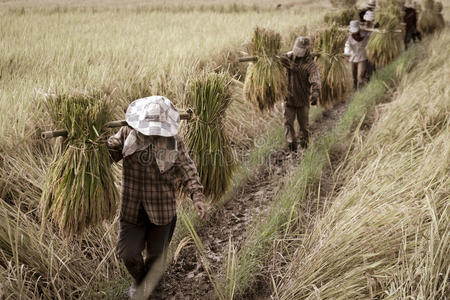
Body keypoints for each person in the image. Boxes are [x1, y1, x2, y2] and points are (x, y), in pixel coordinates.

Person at [107, 96, 207, 298]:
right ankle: (142, 283)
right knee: (128, 254)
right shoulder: (127, 133)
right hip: (132, 209)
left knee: (156, 259)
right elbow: (108, 152)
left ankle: (154, 291)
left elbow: (187, 168)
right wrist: (89, 144)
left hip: (162, 212)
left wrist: (197, 195)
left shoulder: (173, 141)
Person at [279, 37, 321, 151]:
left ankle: (305, 147)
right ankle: (292, 148)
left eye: (300, 51)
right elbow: (277, 59)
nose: (297, 54)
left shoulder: (311, 64)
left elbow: (315, 79)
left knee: (304, 127)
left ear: (307, 50)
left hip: (303, 101)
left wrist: (315, 93)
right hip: (288, 99)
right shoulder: (288, 58)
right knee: (288, 124)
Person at [344, 20, 371, 90]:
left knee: (360, 77)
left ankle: (362, 91)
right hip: (352, 58)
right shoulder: (349, 37)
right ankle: (355, 90)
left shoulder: (365, 34)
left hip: (362, 57)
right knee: (353, 77)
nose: (354, 32)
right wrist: (347, 54)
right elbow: (347, 46)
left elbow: (371, 34)